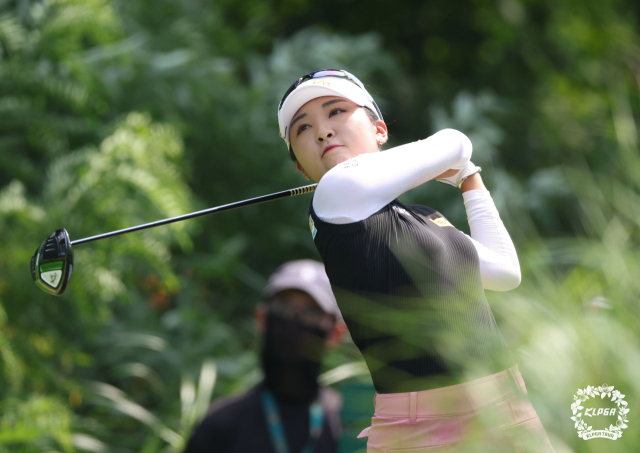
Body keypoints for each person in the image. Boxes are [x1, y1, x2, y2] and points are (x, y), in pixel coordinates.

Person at [276, 69, 556, 452]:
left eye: (336, 111)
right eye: (302, 129)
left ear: (380, 129)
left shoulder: (423, 217)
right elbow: (455, 141)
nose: (323, 131)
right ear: (302, 170)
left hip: (504, 405)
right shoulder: (334, 194)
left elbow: (505, 272)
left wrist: (470, 181)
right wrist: (457, 161)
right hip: (420, 428)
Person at [184, 259, 348, 453]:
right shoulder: (220, 426)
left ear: (335, 334)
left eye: (311, 312)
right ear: (261, 318)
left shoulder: (353, 427)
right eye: (283, 307)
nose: (293, 321)